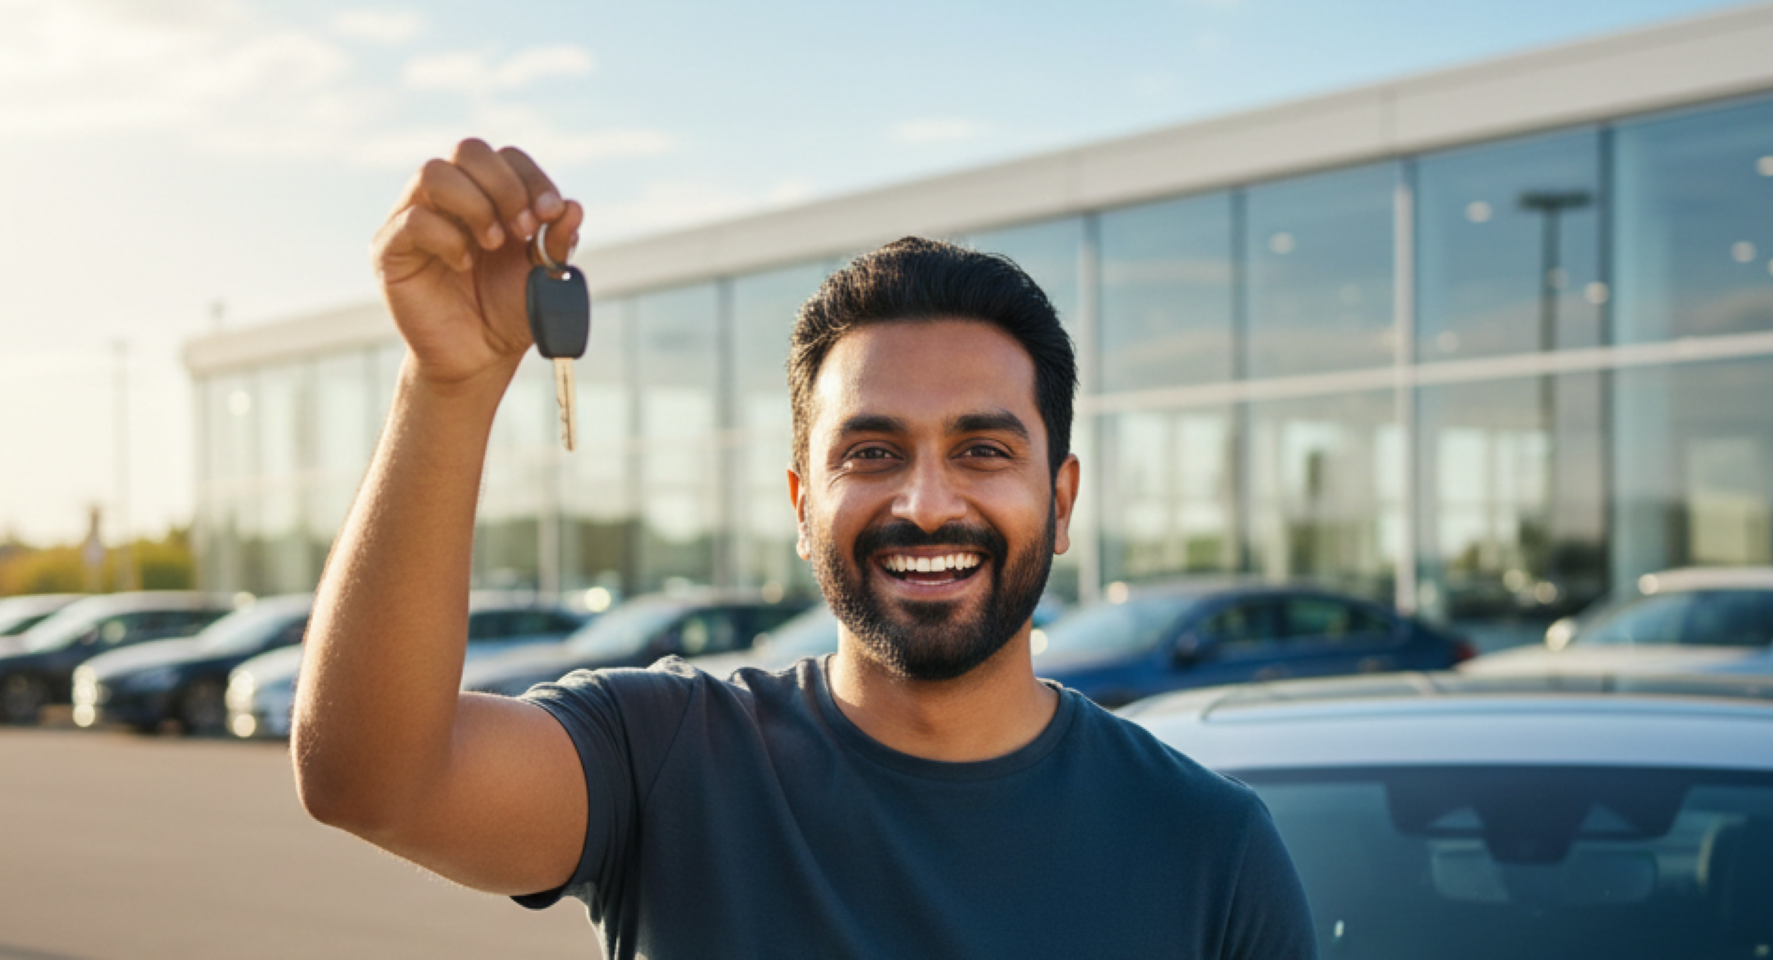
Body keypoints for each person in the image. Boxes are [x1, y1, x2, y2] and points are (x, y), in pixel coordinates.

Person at [293, 139, 1316, 960]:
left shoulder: (1209, 850)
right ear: (799, 501)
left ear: (1061, 498)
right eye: (871, 450)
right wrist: (449, 385)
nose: (924, 503)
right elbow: (371, 780)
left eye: (982, 449)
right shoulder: (667, 758)